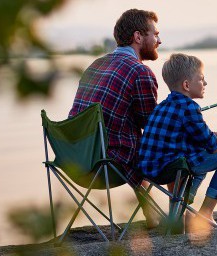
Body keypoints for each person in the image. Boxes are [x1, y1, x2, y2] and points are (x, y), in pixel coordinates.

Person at [68, 9, 162, 227]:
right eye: (155, 34)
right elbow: (151, 127)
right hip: (106, 165)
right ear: (138, 37)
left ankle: (152, 216)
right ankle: (175, 218)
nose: (159, 40)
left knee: (132, 143)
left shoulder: (95, 65)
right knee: (164, 145)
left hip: (75, 160)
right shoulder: (140, 72)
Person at [138, 53, 217, 228]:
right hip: (172, 169)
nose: (205, 84)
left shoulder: (162, 106)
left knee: (198, 153)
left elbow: (189, 135)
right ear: (187, 85)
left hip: (149, 170)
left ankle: (182, 210)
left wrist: (214, 135)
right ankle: (205, 213)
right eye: (201, 79)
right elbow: (212, 146)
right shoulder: (189, 107)